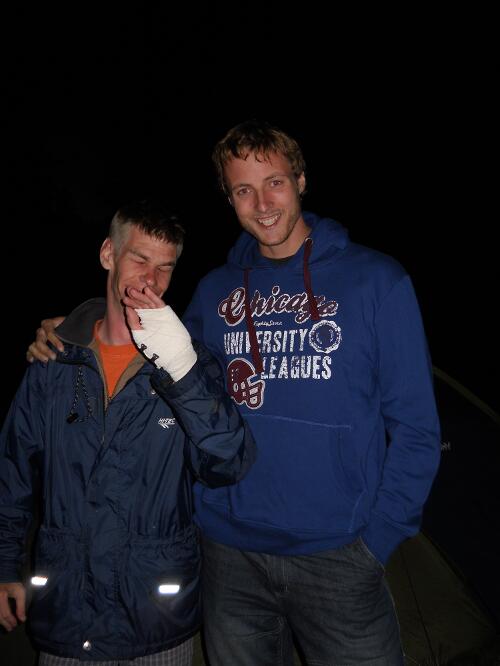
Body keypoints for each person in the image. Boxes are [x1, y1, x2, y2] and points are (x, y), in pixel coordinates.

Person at [26, 121, 441, 665]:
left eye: (275, 183)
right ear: (229, 198)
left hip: (339, 555)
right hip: (227, 554)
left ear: (301, 181)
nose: (262, 204)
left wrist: (378, 539)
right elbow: (156, 361)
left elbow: (416, 428)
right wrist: (73, 330)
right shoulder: (215, 290)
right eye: (243, 189)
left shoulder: (376, 281)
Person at [0, 201, 256, 665]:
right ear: (108, 254)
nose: (150, 280)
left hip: (156, 617)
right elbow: (13, 473)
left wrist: (182, 369)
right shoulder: (55, 360)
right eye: (139, 259)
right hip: (66, 610)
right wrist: (3, 566)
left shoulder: (191, 364)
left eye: (165, 267)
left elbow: (228, 464)